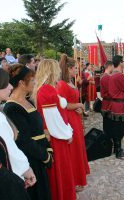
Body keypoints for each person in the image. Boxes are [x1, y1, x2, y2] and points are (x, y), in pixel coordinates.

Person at [0, 66, 36, 186]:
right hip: (3, 178)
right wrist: (26, 169)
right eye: (5, 83)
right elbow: (9, 149)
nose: (11, 86)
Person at [3, 64, 52, 200]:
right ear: (21, 83)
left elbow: (37, 129)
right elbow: (23, 141)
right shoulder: (12, 108)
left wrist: (47, 146)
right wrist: (45, 156)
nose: (35, 83)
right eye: (32, 80)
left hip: (39, 154)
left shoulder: (28, 100)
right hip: (31, 159)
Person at [32, 59, 76, 200]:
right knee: (60, 171)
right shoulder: (47, 90)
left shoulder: (44, 88)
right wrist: (67, 132)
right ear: (52, 71)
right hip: (56, 138)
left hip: (53, 136)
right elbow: (53, 120)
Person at [57, 54, 90, 191]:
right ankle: (73, 180)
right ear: (69, 69)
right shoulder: (62, 84)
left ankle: (77, 178)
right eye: (75, 68)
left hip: (75, 118)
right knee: (73, 151)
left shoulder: (71, 82)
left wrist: (78, 107)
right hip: (69, 119)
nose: (77, 70)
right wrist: (79, 106)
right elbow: (62, 104)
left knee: (78, 148)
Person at [100, 61, 114, 136]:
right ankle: (107, 142)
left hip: (107, 103)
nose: (113, 68)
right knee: (108, 126)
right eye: (112, 66)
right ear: (109, 66)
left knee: (108, 125)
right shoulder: (106, 77)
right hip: (107, 104)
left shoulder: (106, 76)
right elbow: (111, 91)